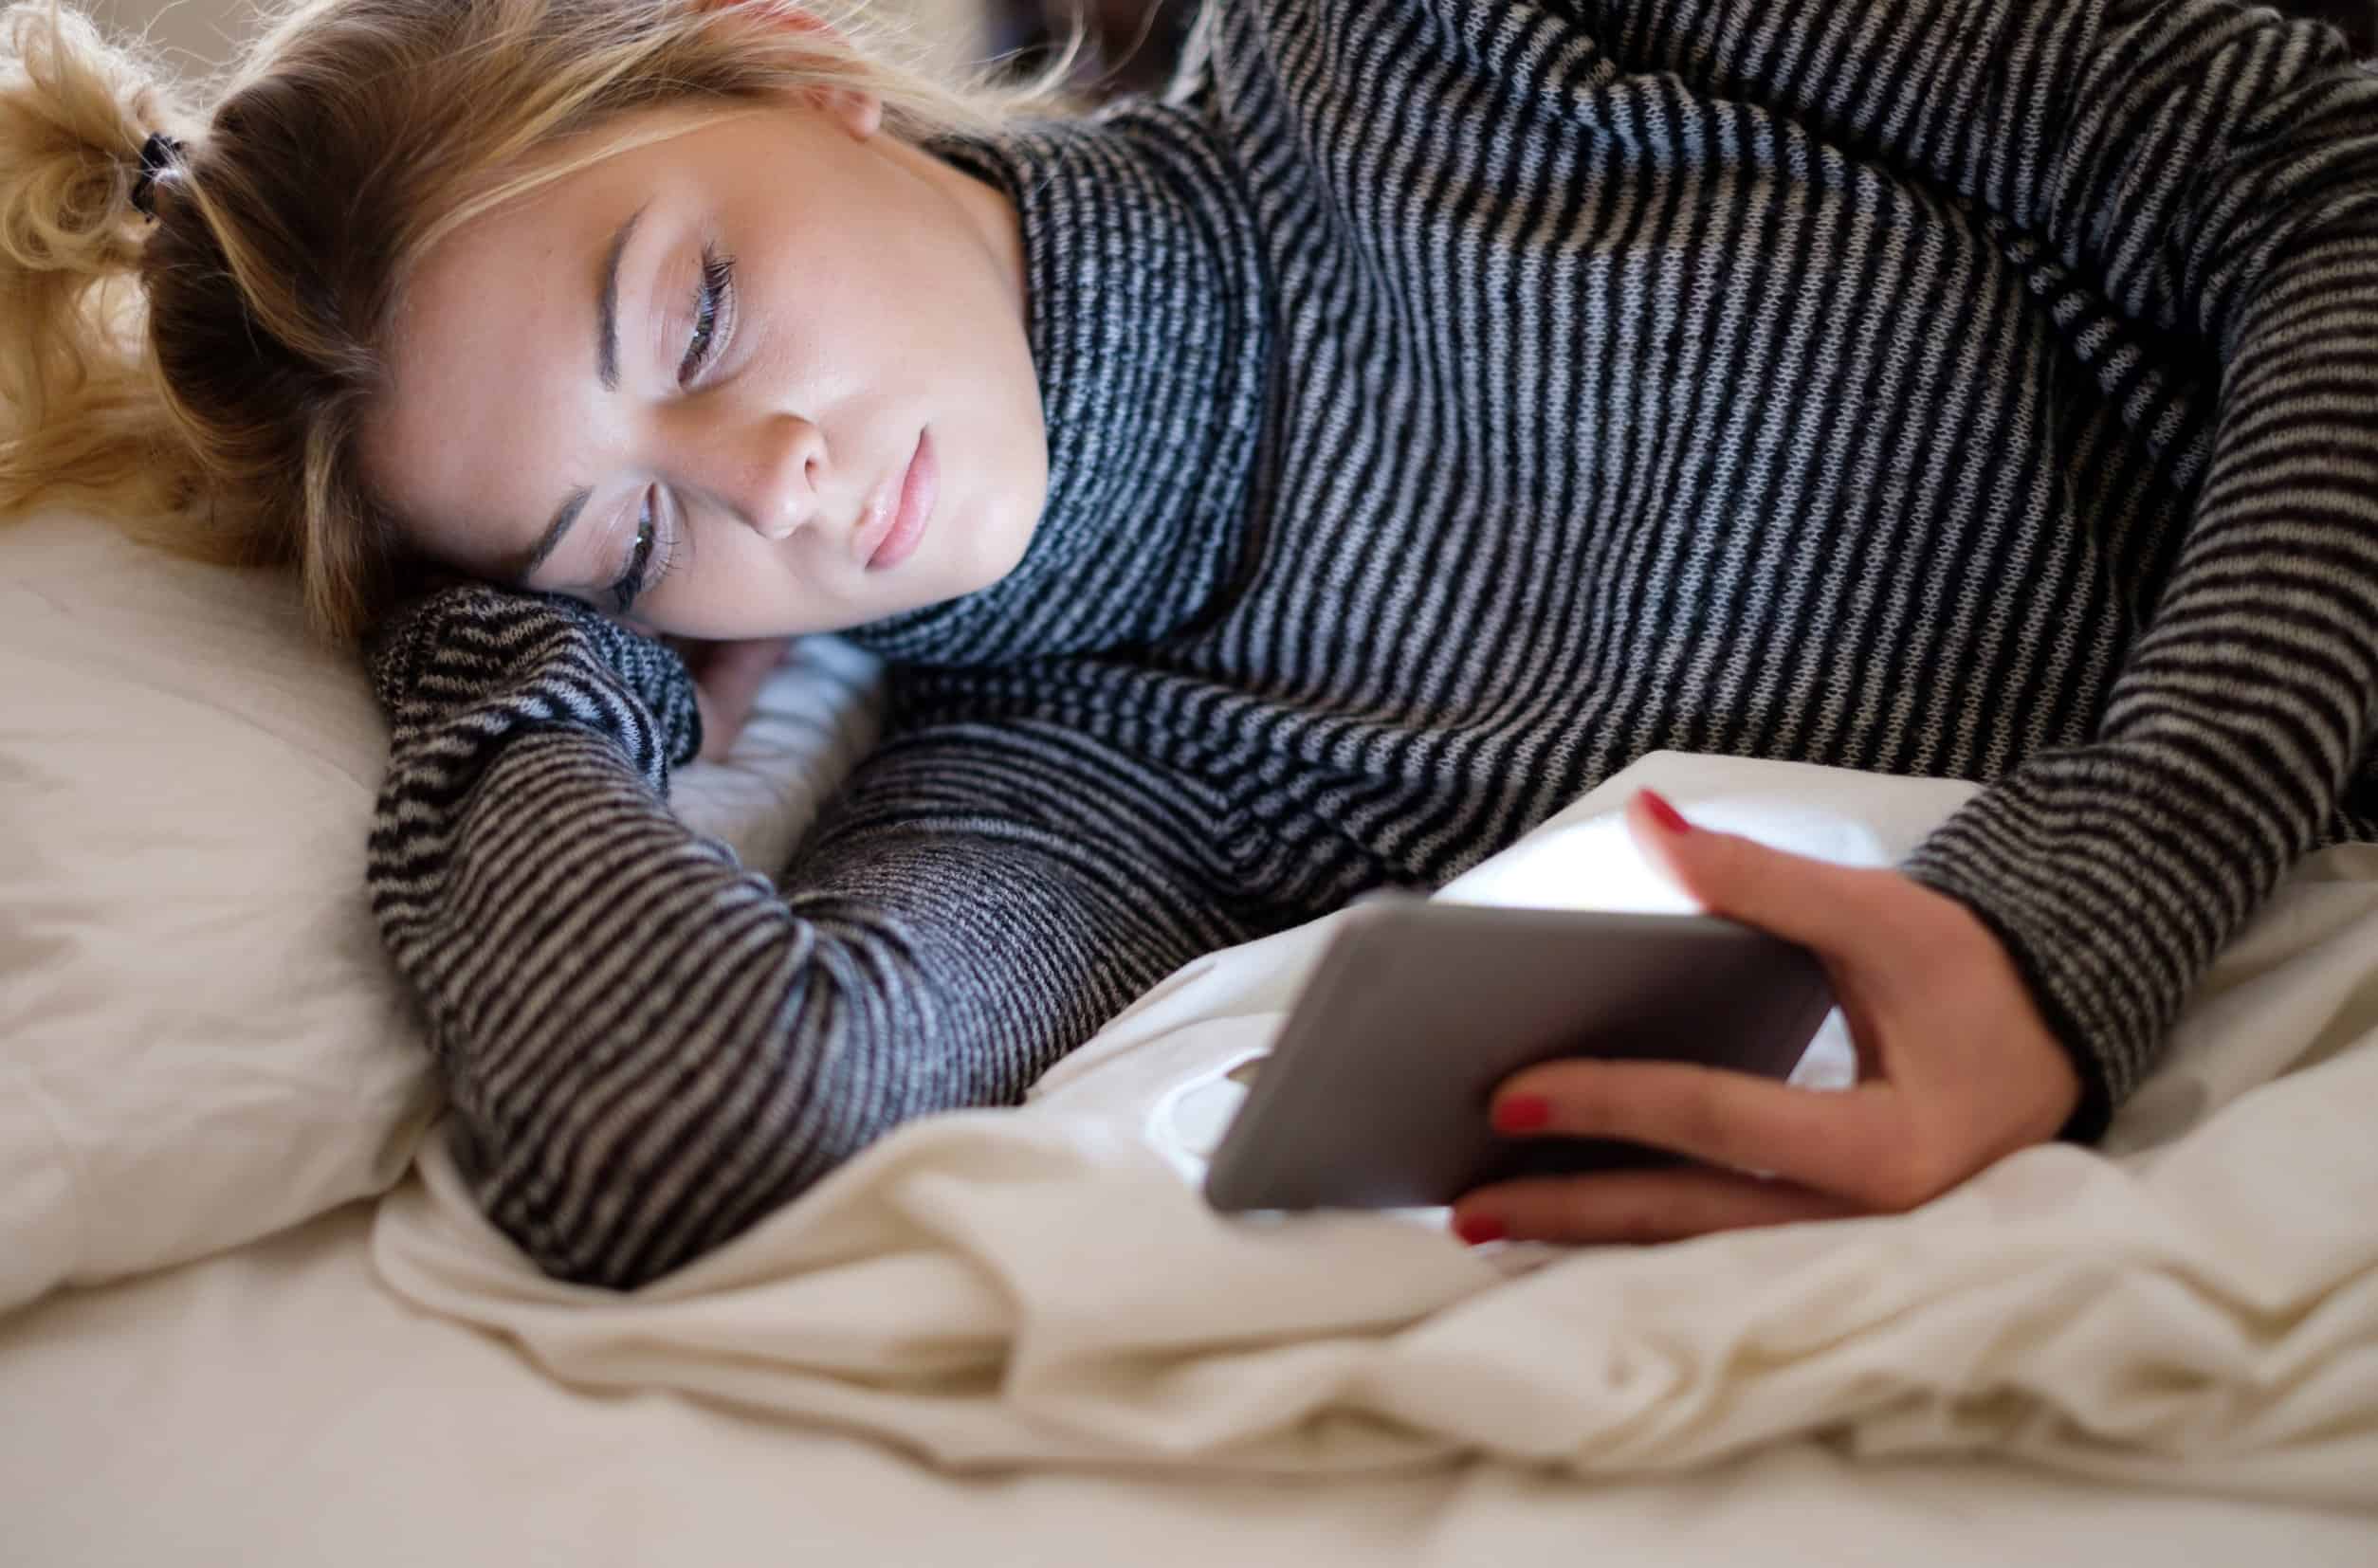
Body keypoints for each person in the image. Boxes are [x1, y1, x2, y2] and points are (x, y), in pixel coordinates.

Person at [5, 0, 2374, 1289]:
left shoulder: (1428, 44)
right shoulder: (1071, 777)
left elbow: (2328, 173)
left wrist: (2095, 908)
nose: (772, 475)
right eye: (637, 523)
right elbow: (699, 1125)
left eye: (699, 304)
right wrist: (515, 660)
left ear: (797, 65)